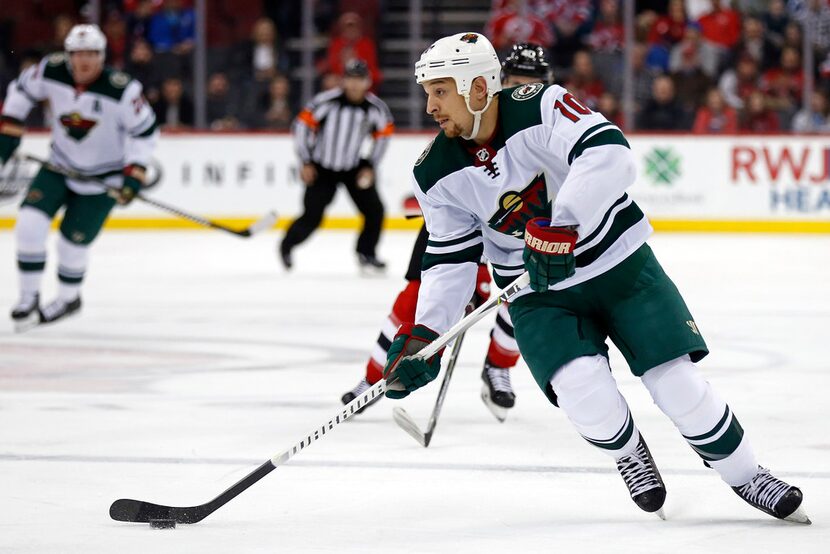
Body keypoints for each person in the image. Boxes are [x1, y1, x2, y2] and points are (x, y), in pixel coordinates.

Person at [380, 32, 809, 524]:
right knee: (585, 394)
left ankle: (746, 473)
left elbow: (610, 153)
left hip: (619, 265)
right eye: (427, 92)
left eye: (440, 91)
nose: (430, 106)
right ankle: (629, 453)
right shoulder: (434, 170)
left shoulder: (541, 106)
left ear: (478, 87)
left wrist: (565, 222)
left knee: (678, 384)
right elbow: (450, 258)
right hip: (539, 293)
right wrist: (427, 334)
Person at [341, 43, 555, 421]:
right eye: (514, 81)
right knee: (416, 296)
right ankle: (376, 378)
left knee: (525, 293)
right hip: (460, 224)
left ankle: (499, 368)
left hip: (519, 227)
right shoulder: (471, 111)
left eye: (530, 82)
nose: (522, 89)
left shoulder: (545, 118)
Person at [0, 24, 159, 331]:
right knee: (29, 224)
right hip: (59, 166)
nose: (84, 61)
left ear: (102, 57)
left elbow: (145, 133)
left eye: (91, 54)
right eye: (77, 54)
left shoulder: (123, 90)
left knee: (71, 245)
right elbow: (20, 93)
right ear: (68, 54)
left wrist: (134, 173)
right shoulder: (51, 70)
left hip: (104, 179)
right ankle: (28, 297)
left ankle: (68, 298)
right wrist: (9, 132)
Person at [280, 59, 393, 272]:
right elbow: (302, 127)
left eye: (359, 80)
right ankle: (287, 245)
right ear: (343, 80)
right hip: (322, 168)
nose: (354, 85)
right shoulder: (326, 102)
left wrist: (370, 166)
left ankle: (366, 253)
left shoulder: (375, 108)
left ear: (367, 82)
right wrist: (306, 161)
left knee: (375, 211)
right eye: (350, 79)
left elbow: (384, 136)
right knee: (312, 216)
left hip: (353, 169)